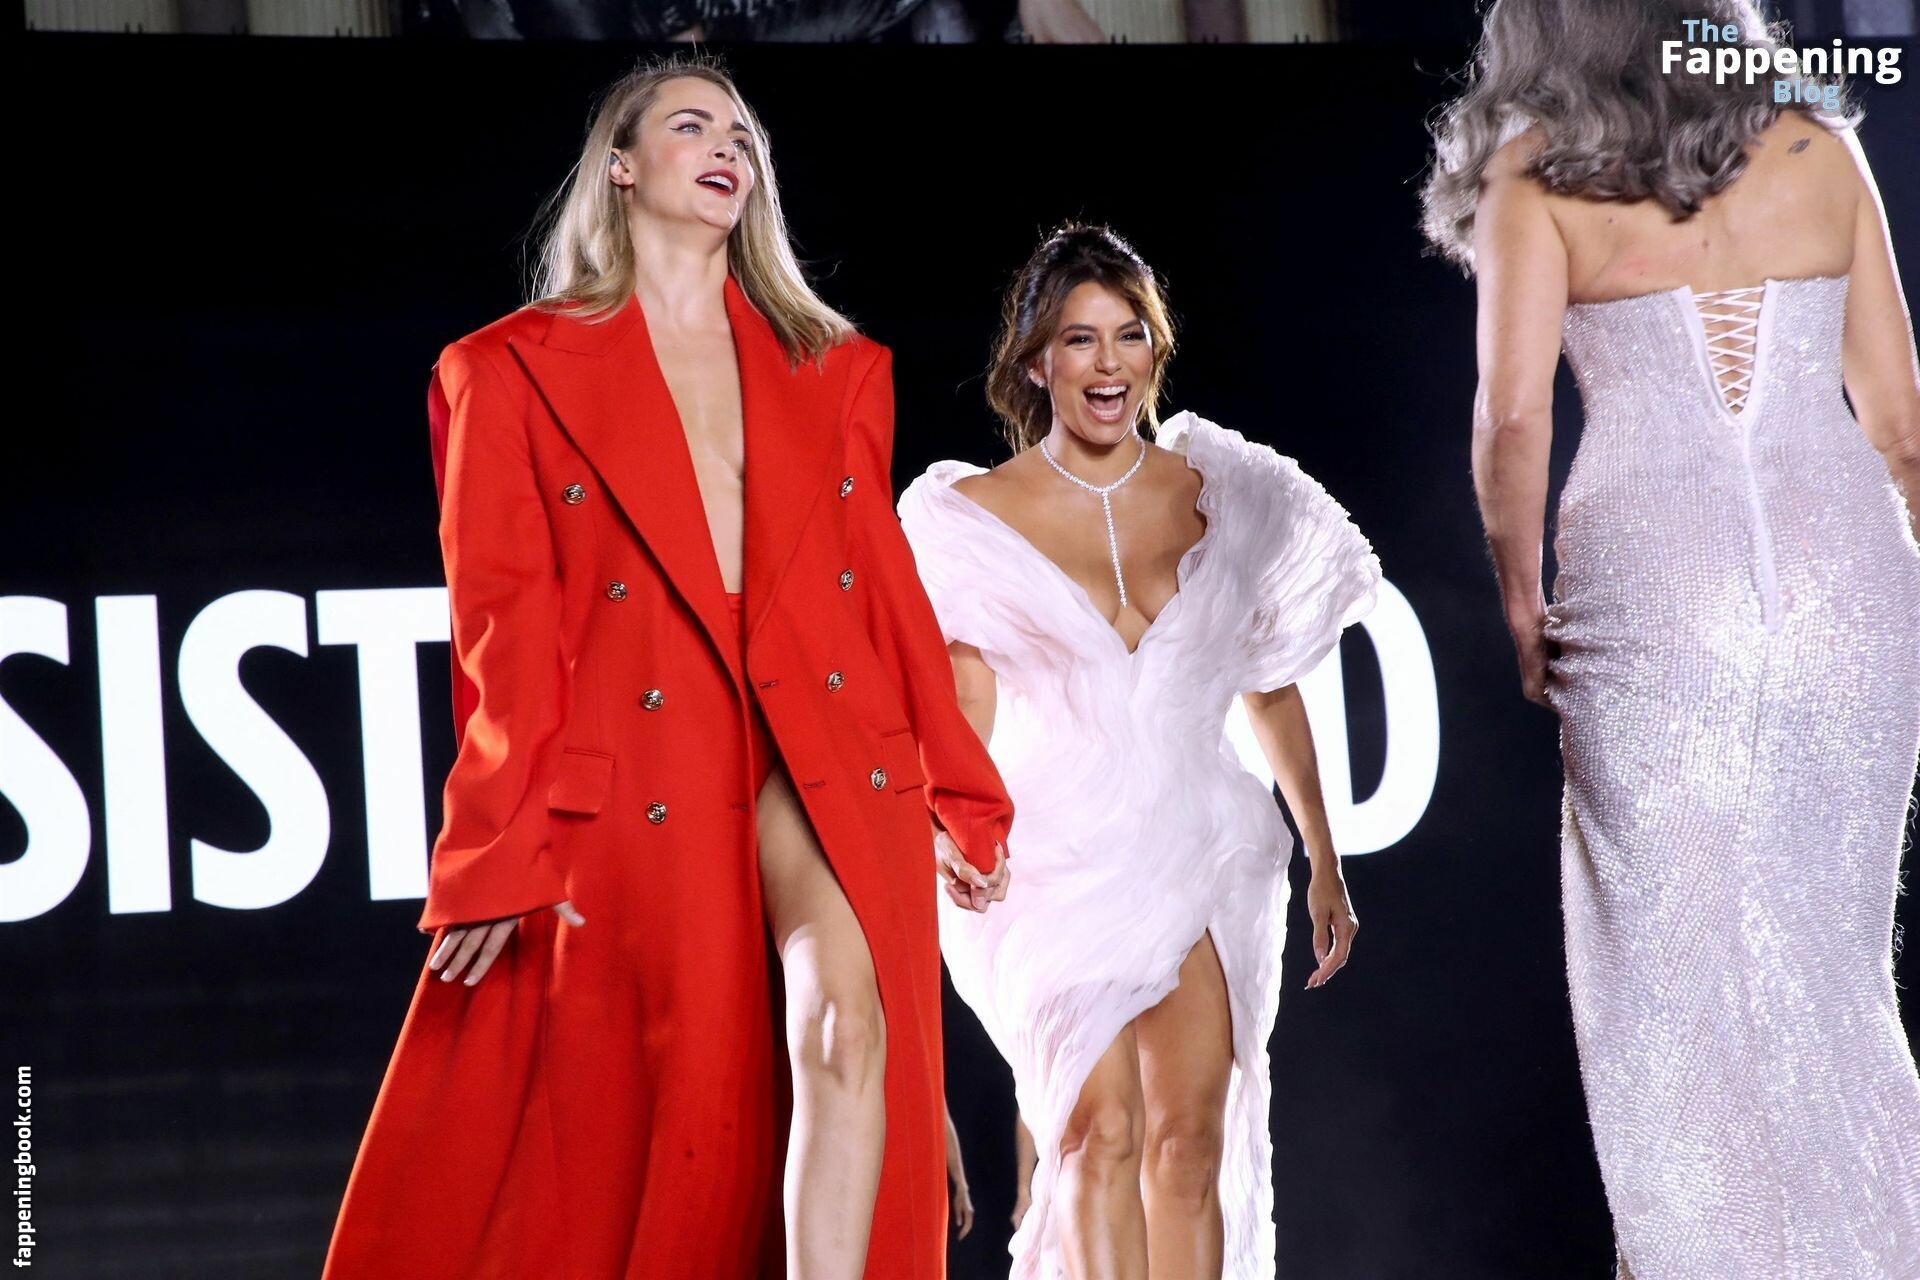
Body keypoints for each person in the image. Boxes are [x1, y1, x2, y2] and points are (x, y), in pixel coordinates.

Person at [323, 55, 1013, 1280]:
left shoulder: (837, 366)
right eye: (692, 125)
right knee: (685, 1128)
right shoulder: (505, 371)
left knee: (847, 1026)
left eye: (742, 135)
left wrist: (960, 786)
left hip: (820, 740)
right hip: (647, 760)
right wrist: (493, 847)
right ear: (622, 168)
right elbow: (502, 629)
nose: (726, 147)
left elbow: (885, 597)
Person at [1423, 2, 1920, 1274]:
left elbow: (1512, 422)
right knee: (1837, 970)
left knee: (1672, 979)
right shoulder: (1819, 141)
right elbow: (1903, 427)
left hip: (1654, 581)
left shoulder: (1533, 173)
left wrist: (1522, 601)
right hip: (1852, 575)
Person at [897, 224, 1377, 1279]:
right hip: (1046, 860)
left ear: (1156, 350)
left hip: (1200, 844)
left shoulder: (1222, 493)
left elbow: (1268, 681)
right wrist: (956, 822)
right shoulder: (971, 515)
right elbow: (965, 692)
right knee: (1094, 1130)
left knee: (1188, 1139)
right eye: (1080, 339)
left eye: (1128, 335)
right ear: (1038, 362)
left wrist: (1324, 856)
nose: (1107, 362)